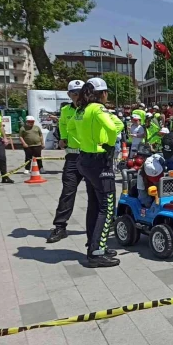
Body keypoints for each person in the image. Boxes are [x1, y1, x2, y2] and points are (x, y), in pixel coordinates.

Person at [71, 77, 121, 267]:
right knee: (106, 207)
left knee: (94, 205)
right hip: (99, 161)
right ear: (103, 93)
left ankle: (94, 244)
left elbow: (72, 132)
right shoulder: (97, 108)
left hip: (84, 158)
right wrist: (108, 144)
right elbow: (111, 127)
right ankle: (96, 253)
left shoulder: (80, 109)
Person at [48, 80, 85, 243]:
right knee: (67, 192)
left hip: (91, 157)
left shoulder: (91, 109)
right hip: (72, 157)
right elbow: (63, 125)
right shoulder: (65, 110)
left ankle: (105, 222)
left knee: (99, 193)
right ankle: (60, 227)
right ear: (69, 95)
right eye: (74, 93)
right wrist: (63, 138)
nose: (77, 96)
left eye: (80, 92)